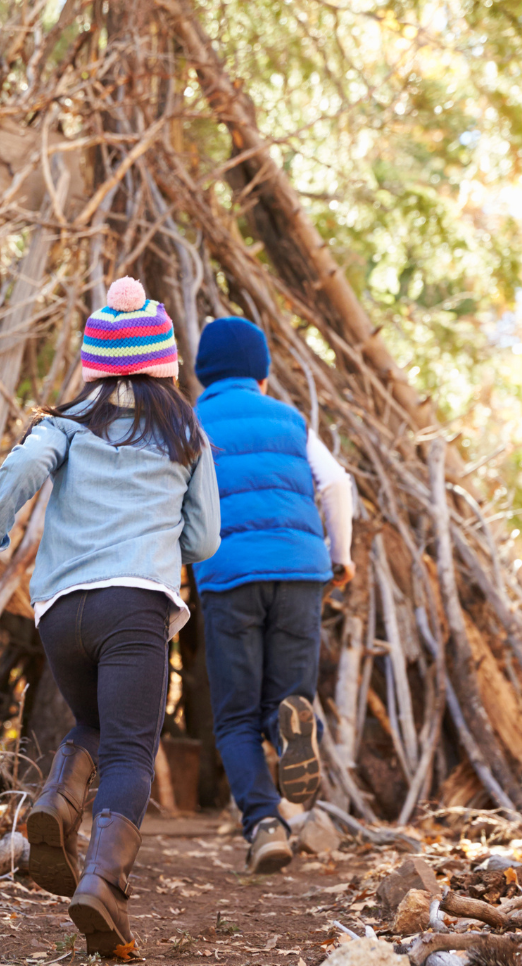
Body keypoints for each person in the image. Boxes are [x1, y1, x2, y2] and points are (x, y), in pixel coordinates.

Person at [0, 277, 220, 956]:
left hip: (59, 610)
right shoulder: (186, 430)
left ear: (95, 364)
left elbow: (22, 470)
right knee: (132, 745)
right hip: (135, 604)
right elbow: (205, 541)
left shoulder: (66, 423)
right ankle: (103, 883)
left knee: (97, 724)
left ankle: (57, 806)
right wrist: (166, 543)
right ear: (163, 363)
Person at [193, 317, 354, 875]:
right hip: (301, 571)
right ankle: (291, 726)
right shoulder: (290, 419)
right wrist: (340, 555)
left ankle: (264, 824)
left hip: (230, 574)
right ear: (262, 372)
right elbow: (334, 483)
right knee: (286, 698)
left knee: (235, 716)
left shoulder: (193, 422)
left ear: (202, 372)